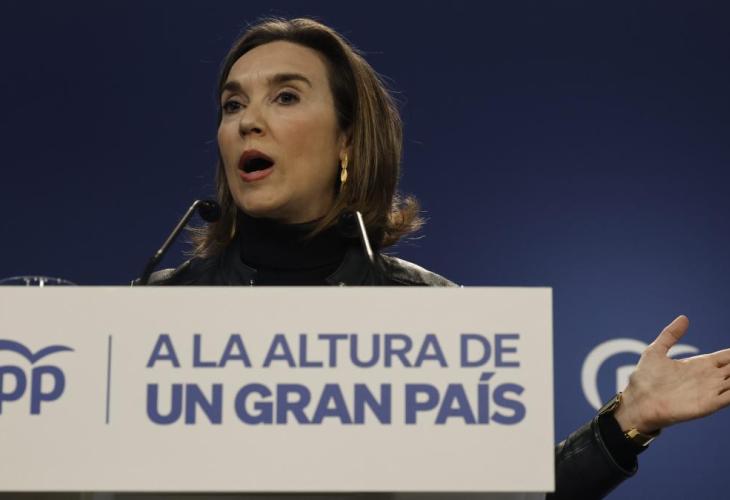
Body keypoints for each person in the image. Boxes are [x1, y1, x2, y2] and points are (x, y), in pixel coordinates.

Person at [150, 17, 730, 499]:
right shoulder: (152, 314)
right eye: (232, 104)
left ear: (347, 138)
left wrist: (627, 422)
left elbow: (506, 495)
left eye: (285, 97)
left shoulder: (432, 316)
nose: (247, 121)